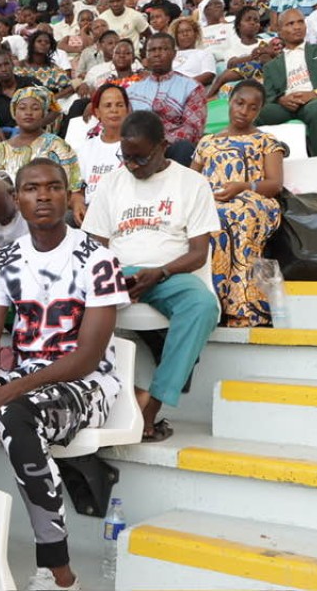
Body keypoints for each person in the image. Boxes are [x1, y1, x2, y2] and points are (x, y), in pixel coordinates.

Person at [0, 158, 130, 591]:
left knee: (15, 415)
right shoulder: (6, 258)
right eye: (32, 188)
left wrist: (7, 394)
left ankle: (57, 571)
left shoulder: (99, 258)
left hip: (87, 384)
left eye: (53, 187)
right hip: (24, 375)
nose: (43, 196)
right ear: (17, 199)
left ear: (68, 196)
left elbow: (88, 357)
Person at [82, 111, 220, 442]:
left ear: (163, 146)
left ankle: (153, 404)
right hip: (118, 272)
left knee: (202, 306)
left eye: (140, 158)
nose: (132, 166)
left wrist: (161, 273)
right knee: (68, 301)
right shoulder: (112, 183)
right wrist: (112, 277)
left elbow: (198, 253)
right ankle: (118, 393)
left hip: (170, 272)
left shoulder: (192, 183)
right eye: (125, 157)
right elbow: (93, 247)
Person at [192, 81, 285, 327]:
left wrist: (243, 187)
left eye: (253, 108)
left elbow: (275, 184)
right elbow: (190, 181)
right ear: (230, 102)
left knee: (236, 214)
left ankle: (243, 308)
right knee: (208, 217)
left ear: (259, 110)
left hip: (254, 201)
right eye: (239, 103)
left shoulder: (266, 140)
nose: (244, 111)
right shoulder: (207, 142)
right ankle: (209, 305)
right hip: (213, 201)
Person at [0, 87, 85, 215]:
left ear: (43, 114)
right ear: (14, 112)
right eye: (22, 108)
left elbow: (74, 189)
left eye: (35, 108)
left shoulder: (58, 147)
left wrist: (77, 202)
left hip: (46, 212)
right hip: (4, 214)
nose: (28, 113)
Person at [255, 9, 317, 156]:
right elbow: (268, 96)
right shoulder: (271, 66)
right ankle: (256, 160)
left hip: (315, 101)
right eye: (290, 24)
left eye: (300, 22)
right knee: (255, 114)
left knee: (316, 109)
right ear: (280, 31)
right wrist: (281, 99)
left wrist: (314, 93)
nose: (297, 27)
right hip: (285, 107)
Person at [127, 33, 208, 167]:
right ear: (146, 56)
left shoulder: (191, 87)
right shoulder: (132, 91)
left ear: (174, 54)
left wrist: (159, 144)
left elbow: (193, 129)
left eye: (163, 49)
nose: (157, 54)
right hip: (138, 149)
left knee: (184, 147)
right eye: (152, 50)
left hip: (172, 148)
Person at [75, 84, 129, 223]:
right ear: (97, 112)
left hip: (125, 211)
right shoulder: (86, 148)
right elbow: (77, 189)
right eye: (108, 105)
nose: (114, 110)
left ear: (128, 110)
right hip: (91, 212)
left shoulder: (136, 146)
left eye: (119, 105)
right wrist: (78, 203)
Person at [0, 50, 43, 157]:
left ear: (12, 65)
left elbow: (54, 110)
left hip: (34, 129)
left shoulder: (31, 83)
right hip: (8, 134)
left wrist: (35, 125)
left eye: (6, 64)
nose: (4, 69)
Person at [170, 17, 217, 86]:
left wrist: (183, 85)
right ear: (176, 37)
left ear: (196, 33)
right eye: (180, 32)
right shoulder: (169, 55)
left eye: (188, 30)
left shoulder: (204, 54)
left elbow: (209, 75)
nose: (185, 34)